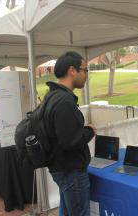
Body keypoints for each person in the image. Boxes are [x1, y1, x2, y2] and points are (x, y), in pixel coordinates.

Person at [45, 52, 96, 216]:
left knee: (67, 211)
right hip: (71, 171)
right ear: (72, 70)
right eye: (85, 70)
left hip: (61, 167)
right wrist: (89, 131)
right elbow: (69, 141)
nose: (86, 75)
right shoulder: (64, 101)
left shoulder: (52, 95)